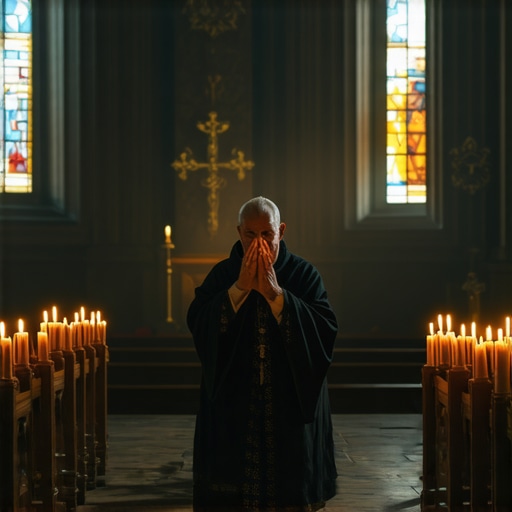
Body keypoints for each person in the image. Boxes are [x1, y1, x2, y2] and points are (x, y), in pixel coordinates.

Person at [187, 196, 338, 511]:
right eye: (250, 235)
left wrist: (276, 293)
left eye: (266, 234)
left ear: (281, 230)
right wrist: (238, 289)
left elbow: (324, 328)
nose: (258, 243)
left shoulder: (303, 274)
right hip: (235, 400)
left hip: (289, 401)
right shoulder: (223, 274)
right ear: (238, 232)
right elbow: (199, 321)